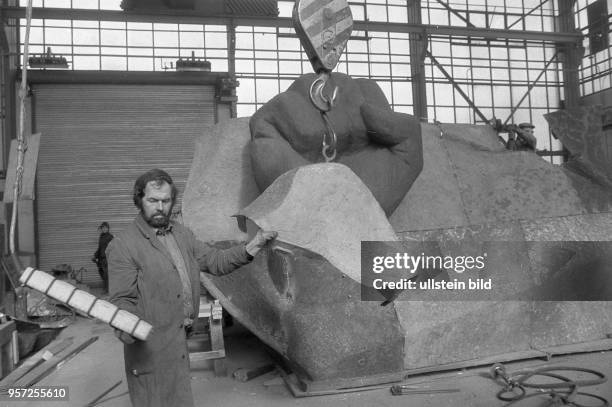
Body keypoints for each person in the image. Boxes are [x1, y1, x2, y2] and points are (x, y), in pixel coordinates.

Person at [107, 169, 276, 407]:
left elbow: (215, 261)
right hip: (150, 346)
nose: (160, 207)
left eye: (166, 201)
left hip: (178, 338)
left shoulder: (182, 234)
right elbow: (122, 299)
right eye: (152, 200)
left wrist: (253, 245)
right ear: (139, 200)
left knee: (180, 399)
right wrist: (125, 324)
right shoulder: (123, 245)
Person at [92, 221, 113, 293]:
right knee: (101, 273)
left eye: (105, 228)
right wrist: (95, 255)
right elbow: (100, 248)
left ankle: (107, 290)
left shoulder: (110, 237)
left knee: (106, 275)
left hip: (107, 259)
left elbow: (113, 248)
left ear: (108, 228)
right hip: (101, 259)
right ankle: (107, 288)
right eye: (102, 228)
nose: (104, 229)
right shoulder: (101, 236)